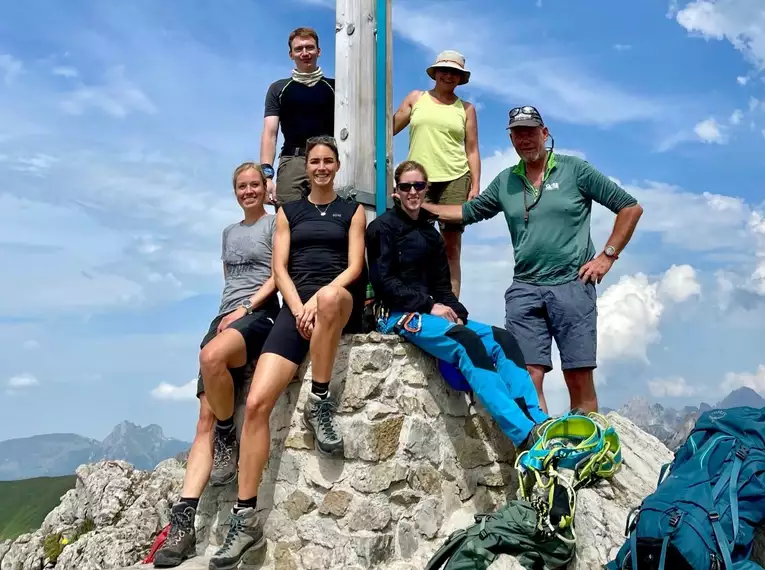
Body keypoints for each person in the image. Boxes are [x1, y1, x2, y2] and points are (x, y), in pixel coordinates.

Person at [420, 105, 644, 415]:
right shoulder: (505, 181)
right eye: (517, 134)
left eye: (530, 131)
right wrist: (418, 205)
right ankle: (542, 448)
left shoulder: (574, 170)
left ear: (545, 133)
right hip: (525, 289)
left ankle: (586, 452)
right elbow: (467, 212)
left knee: (577, 377)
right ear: (511, 139)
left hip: (572, 285)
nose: (524, 139)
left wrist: (606, 258)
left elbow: (629, 208)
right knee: (527, 377)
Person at [209, 135, 367, 570]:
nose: (320, 167)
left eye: (327, 160)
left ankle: (319, 402)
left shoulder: (353, 212)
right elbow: (279, 268)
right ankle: (245, 518)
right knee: (258, 404)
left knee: (334, 300)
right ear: (308, 167)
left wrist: (319, 300)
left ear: (336, 166)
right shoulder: (288, 214)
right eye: (314, 160)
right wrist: (298, 307)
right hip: (295, 310)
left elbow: (354, 267)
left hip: (337, 304)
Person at [366, 160, 549, 451]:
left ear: (426, 189)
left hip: (432, 312)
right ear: (396, 192)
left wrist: (458, 314)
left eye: (419, 186)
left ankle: (537, 421)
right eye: (406, 187)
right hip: (398, 314)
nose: (413, 192)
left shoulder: (431, 234)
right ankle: (524, 435)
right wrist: (429, 305)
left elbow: (443, 287)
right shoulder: (381, 229)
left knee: (502, 338)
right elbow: (384, 283)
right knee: (465, 342)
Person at [152, 163, 280, 568]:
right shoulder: (228, 233)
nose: (248, 191)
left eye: (254, 185)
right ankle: (183, 525)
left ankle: (229, 431)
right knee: (203, 420)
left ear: (264, 188)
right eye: (242, 186)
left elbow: (277, 275)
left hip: (259, 314)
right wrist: (231, 310)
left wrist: (246, 306)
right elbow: (229, 279)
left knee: (210, 357)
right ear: (235, 191)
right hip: (226, 316)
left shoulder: (276, 224)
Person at [392, 49, 481, 299]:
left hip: (455, 177)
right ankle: (414, 298)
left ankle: (452, 304)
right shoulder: (416, 98)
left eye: (455, 72)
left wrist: (475, 186)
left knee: (451, 245)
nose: (449, 75)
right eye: (445, 70)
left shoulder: (466, 108)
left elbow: (472, 149)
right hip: (417, 181)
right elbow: (388, 129)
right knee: (411, 240)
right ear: (435, 73)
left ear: (460, 77)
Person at [259, 27, 335, 208]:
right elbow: (270, 133)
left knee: (332, 222)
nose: (305, 53)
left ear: (318, 51)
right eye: (299, 49)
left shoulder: (335, 87)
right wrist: (266, 176)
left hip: (328, 161)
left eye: (309, 47)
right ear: (291, 54)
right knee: (287, 221)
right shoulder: (278, 89)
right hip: (292, 161)